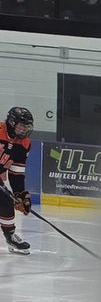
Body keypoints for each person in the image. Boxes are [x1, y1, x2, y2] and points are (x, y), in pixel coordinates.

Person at [0, 106, 34, 254]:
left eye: (26, 127)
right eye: (21, 126)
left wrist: (20, 195)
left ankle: (10, 237)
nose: (24, 130)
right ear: (12, 123)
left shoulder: (24, 143)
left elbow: (17, 173)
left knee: (6, 200)